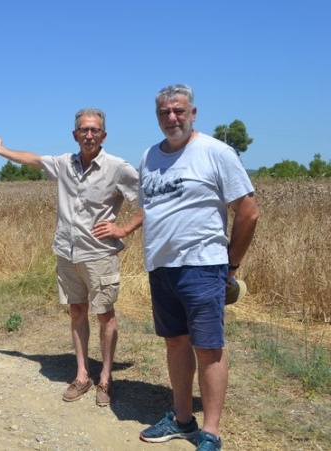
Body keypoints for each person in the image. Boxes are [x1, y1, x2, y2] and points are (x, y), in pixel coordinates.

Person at [0, 108, 142, 406]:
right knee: (77, 311)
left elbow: (150, 197)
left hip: (99, 253)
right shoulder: (64, 163)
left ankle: (106, 378)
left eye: (94, 130)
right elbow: (32, 159)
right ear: (75, 134)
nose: (89, 135)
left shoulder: (118, 167)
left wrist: (125, 228)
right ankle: (82, 375)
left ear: (103, 135)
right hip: (67, 251)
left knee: (105, 314)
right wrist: (3, 151)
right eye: (83, 129)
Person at [137, 85, 260, 450]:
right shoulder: (149, 156)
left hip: (203, 267)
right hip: (161, 267)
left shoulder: (216, 153)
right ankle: (182, 419)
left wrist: (231, 266)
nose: (171, 118)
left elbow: (249, 211)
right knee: (175, 342)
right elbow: (151, 208)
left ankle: (211, 431)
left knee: (208, 349)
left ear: (193, 113)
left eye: (178, 111)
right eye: (164, 113)